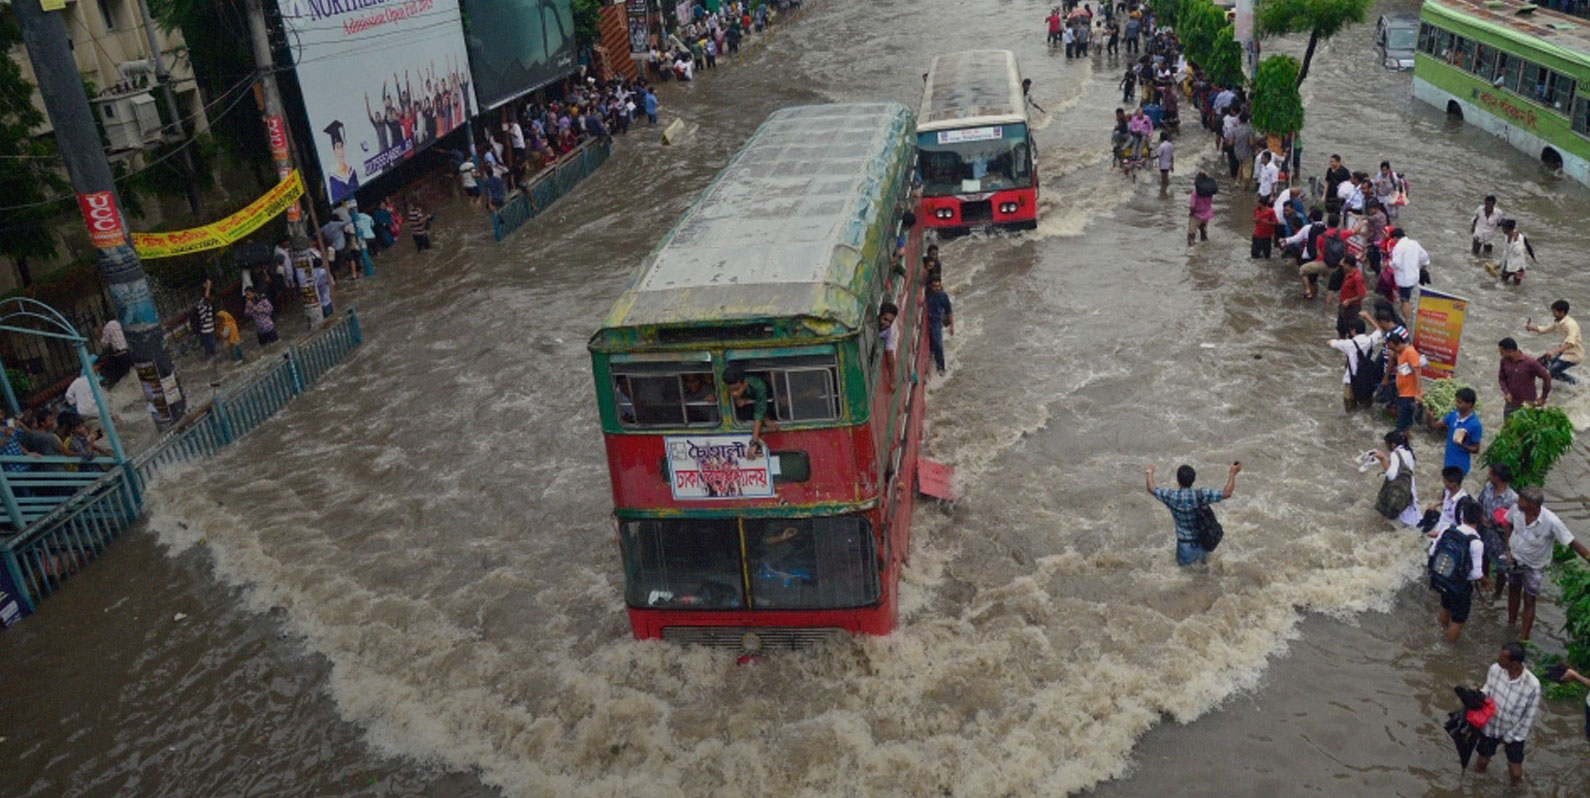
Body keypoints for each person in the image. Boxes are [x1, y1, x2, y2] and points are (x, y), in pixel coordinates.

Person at [1505, 486, 1590, 640]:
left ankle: (1524, 637)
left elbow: (1571, 542)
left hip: (1534, 566)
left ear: (1532, 505)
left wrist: (1588, 558)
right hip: (1515, 558)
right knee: (1513, 590)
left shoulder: (1551, 521)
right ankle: (1510, 624)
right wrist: (1508, 548)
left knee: (1530, 599)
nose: (1518, 501)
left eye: (1522, 500)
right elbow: (1508, 522)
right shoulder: (1516, 510)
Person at [1146, 461, 1242, 566]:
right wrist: (1232, 473)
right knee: (1204, 574)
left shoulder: (1171, 496)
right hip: (1203, 543)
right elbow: (1227, 493)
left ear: (1178, 480)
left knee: (1184, 577)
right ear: (1193, 480)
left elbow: (1152, 488)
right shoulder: (1201, 495)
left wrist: (1149, 472)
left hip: (1184, 546)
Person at [1473, 642, 1540, 785]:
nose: (1498, 660)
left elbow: (1528, 718)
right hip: (1491, 725)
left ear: (1514, 663)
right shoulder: (1495, 669)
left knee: (1515, 772)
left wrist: (1509, 737)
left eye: (1502, 658)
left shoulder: (1533, 685)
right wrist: (1479, 696)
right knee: (1482, 761)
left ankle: (1514, 792)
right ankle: (1476, 787)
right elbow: (1488, 689)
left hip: (1514, 731)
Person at [1428, 498, 1486, 642]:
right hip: (1459, 586)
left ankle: (1438, 634)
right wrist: (1484, 581)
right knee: (1458, 620)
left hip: (1443, 578)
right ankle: (1446, 647)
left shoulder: (1448, 530)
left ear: (1463, 516)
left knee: (1445, 607)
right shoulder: (1476, 542)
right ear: (1480, 520)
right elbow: (1476, 574)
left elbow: (1432, 552)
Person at [1475, 462, 1517, 599]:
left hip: (1500, 538)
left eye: (1491, 473)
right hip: (1484, 532)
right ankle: (1484, 585)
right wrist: (1481, 517)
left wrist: (1509, 546)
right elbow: (1479, 504)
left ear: (1497, 477)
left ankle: (1497, 593)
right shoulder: (1488, 488)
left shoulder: (1512, 499)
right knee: (1483, 559)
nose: (1488, 475)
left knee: (1501, 567)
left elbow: (1513, 524)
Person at [723, 364, 776, 457]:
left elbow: (759, 413)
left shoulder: (759, 386)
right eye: (730, 390)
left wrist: (753, 443)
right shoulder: (726, 386)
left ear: (745, 384)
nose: (734, 393)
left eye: (737, 389)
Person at [1427, 386, 1481, 475]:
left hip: (1460, 465)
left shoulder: (1475, 425)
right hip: (1448, 461)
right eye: (1456, 401)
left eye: (1460, 403)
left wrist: (1462, 445)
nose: (1456, 404)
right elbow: (1434, 426)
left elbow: (1476, 449)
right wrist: (1430, 417)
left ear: (1469, 404)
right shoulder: (1453, 415)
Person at [1524, 299, 1581, 385]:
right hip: (1564, 352)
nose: (1553, 314)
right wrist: (1532, 328)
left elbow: (1571, 343)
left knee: (1551, 372)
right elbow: (1545, 329)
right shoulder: (1559, 322)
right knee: (1544, 365)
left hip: (1574, 355)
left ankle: (1576, 384)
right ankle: (1573, 382)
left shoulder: (1571, 324)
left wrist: (1554, 352)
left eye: (1554, 312)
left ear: (1562, 312)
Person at [1374, 429, 1420, 527]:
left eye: (1387, 444)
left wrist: (1382, 459)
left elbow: (1392, 476)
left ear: (1393, 444)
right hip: (1410, 490)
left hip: (1400, 491)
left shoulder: (1395, 454)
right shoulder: (1408, 452)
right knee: (1412, 522)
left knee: (1399, 523)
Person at [1496, 337, 1550, 418]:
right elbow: (1501, 379)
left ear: (1510, 351)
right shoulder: (1504, 361)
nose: (1501, 354)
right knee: (1507, 428)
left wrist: (1543, 397)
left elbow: (1547, 377)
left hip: (1527, 404)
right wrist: (1506, 392)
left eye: (1502, 352)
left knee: (1526, 429)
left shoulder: (1530, 363)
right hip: (1511, 403)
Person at [1387, 228, 1428, 322]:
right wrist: (1424, 267)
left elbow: (1396, 263)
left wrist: (1389, 263)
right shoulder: (1414, 243)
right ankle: (1405, 317)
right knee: (1407, 297)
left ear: (1395, 238)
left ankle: (1406, 320)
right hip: (1414, 277)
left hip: (1404, 279)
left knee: (1404, 300)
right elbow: (1425, 256)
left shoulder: (1398, 247)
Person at [1384, 332, 1422, 432]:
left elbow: (1417, 372)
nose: (1393, 351)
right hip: (1403, 393)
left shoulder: (1410, 352)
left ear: (1398, 343)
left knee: (1402, 425)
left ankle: (1402, 443)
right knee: (1404, 424)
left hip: (1410, 395)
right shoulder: (1401, 352)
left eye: (1393, 348)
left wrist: (1418, 393)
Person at [925, 276, 953, 376]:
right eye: (934, 286)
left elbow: (949, 311)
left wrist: (952, 326)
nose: (937, 288)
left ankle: (941, 367)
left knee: (938, 344)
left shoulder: (943, 295)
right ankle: (932, 355)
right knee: (933, 343)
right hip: (928, 319)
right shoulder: (927, 293)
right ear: (930, 286)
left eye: (938, 286)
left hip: (936, 321)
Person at [1494, 218, 1534, 285]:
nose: (1502, 229)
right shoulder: (1507, 236)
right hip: (1509, 264)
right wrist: (1500, 264)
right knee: (1501, 283)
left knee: (1516, 286)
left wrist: (1515, 242)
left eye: (1503, 227)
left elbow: (1517, 251)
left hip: (1519, 267)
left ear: (1505, 229)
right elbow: (1506, 252)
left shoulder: (1518, 240)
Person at [1187, 172, 1213, 246]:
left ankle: (1192, 250)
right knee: (1204, 235)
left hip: (1197, 216)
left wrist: (1191, 213)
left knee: (1191, 235)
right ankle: (1204, 248)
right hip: (1206, 216)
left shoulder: (1195, 192)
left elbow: (1192, 206)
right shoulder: (1209, 191)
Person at [192, 280, 217, 357]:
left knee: (208, 350)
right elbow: (207, 297)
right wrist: (208, 286)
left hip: (204, 330)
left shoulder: (200, 303)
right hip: (208, 330)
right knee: (211, 349)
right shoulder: (206, 303)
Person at [878, 301, 899, 386]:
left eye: (890, 322)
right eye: (885, 319)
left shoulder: (888, 332)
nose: (887, 324)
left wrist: (892, 379)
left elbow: (890, 354)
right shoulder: (869, 321)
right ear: (879, 315)